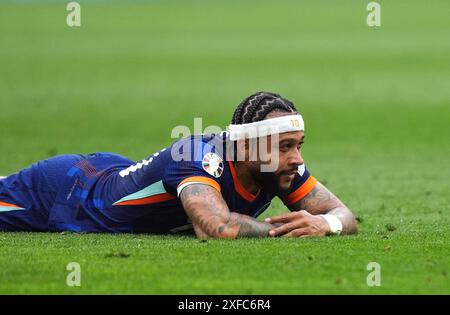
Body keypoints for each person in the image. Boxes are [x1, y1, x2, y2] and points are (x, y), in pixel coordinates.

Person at [0, 92, 357, 238]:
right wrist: (286, 231)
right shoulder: (195, 155)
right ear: (248, 148)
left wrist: (325, 223)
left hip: (113, 172)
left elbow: (344, 214)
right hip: (69, 191)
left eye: (298, 146)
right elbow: (215, 227)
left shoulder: (280, 169)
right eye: (286, 147)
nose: (297, 158)